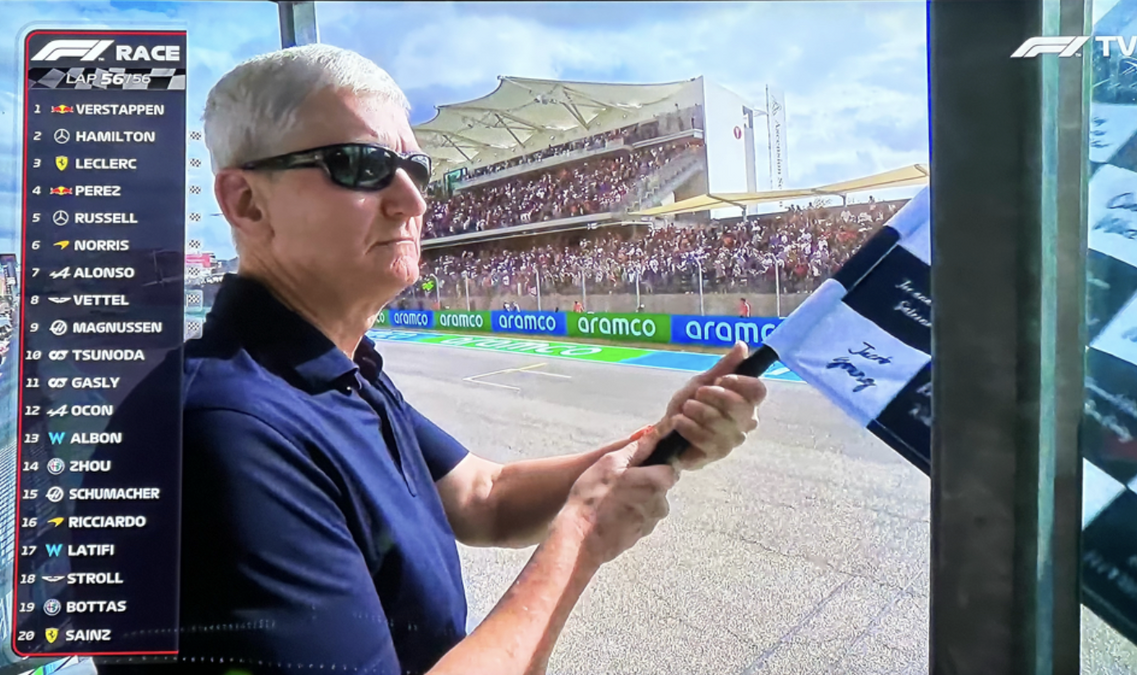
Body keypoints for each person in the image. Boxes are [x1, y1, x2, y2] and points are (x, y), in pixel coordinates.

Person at [105, 44, 765, 675]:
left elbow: (486, 495)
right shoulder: (220, 432)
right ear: (247, 202)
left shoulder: (340, 370)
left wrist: (661, 441)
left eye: (415, 171)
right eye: (359, 166)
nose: (414, 201)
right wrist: (580, 537)